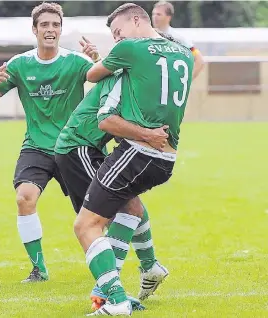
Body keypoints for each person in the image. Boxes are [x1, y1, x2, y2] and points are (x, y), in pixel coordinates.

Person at [73, 3, 195, 316]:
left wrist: (103, 60)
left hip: (139, 152)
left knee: (86, 226)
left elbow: (92, 74)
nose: (117, 39)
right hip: (166, 158)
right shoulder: (180, 51)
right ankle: (143, 271)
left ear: (137, 20)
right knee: (130, 209)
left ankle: (116, 301)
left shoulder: (130, 49)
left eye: (118, 32)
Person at [0, 3, 100, 283]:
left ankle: (108, 269)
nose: (50, 30)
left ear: (61, 29)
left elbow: (106, 81)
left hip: (72, 147)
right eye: (44, 25)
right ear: (34, 29)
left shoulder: (77, 62)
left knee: (94, 211)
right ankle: (39, 269)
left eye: (55, 25)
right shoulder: (19, 64)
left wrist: (98, 60)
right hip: (35, 146)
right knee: (24, 198)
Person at [55, 70, 170, 311]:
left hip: (92, 148)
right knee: (110, 215)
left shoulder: (135, 79)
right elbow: (105, 119)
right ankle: (110, 293)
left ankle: (146, 270)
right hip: (78, 148)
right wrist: (147, 134)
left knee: (132, 206)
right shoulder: (120, 76)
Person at [152, 1, 204, 79]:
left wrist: (187, 81)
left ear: (168, 17)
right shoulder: (146, 36)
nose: (155, 17)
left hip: (171, 88)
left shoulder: (177, 38)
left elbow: (199, 60)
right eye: (153, 14)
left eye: (159, 14)